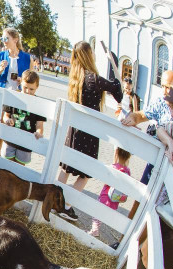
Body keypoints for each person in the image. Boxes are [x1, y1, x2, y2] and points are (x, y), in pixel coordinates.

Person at [56, 41, 123, 221]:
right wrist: (117, 80)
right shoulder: (94, 78)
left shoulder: (75, 78)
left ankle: (52, 199)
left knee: (66, 168)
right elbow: (118, 93)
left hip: (74, 130)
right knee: (84, 174)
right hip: (88, 133)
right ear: (88, 55)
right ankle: (66, 206)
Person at [0, 70, 46, 166]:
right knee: (5, 165)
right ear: (20, 83)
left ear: (37, 87)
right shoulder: (13, 97)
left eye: (31, 89)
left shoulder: (39, 104)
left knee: (20, 168)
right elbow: (5, 116)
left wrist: (39, 132)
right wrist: (7, 120)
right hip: (10, 139)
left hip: (26, 143)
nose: (28, 91)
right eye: (25, 87)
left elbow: (40, 125)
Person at [89, 147, 132, 237]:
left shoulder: (113, 167)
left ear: (116, 152)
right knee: (102, 214)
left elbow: (106, 181)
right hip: (115, 198)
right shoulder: (127, 171)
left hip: (106, 195)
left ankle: (94, 230)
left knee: (96, 213)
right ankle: (95, 229)